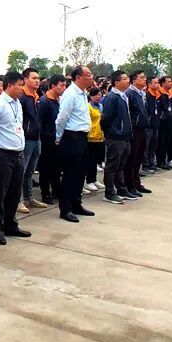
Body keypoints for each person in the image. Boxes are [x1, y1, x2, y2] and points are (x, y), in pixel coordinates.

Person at [0, 72, 32, 245]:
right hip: (2, 153)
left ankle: (10, 224)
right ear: (10, 85)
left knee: (14, 192)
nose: (21, 88)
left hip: (18, 153)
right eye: (19, 85)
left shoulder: (17, 103)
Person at [54, 65, 95, 223]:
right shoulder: (70, 94)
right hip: (71, 137)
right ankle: (65, 208)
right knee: (70, 174)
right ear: (78, 77)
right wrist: (59, 136)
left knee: (80, 173)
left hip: (83, 137)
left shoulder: (82, 93)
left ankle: (76, 204)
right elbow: (62, 118)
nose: (91, 77)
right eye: (88, 75)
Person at [100, 71, 134, 204]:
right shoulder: (112, 97)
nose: (127, 81)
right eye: (124, 79)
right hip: (115, 137)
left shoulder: (123, 96)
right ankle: (109, 192)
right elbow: (106, 118)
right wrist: (111, 132)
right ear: (116, 82)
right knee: (112, 165)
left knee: (121, 165)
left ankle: (121, 189)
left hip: (125, 136)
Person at [20, 68, 46, 211]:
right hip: (26, 139)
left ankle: (29, 198)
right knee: (22, 171)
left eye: (38, 78)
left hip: (37, 138)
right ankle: (18, 200)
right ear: (25, 80)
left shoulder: (36, 96)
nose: (37, 81)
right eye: (34, 78)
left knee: (30, 171)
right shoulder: (22, 96)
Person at [38, 75, 65, 204]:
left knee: (56, 167)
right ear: (53, 86)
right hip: (46, 140)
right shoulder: (44, 102)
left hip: (57, 139)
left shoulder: (58, 100)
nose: (64, 88)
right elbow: (41, 123)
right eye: (61, 85)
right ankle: (45, 193)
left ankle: (56, 190)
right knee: (45, 168)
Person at [123, 70, 152, 196]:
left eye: (144, 77)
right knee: (132, 159)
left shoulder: (142, 93)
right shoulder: (130, 93)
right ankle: (129, 185)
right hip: (134, 130)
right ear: (134, 80)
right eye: (141, 77)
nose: (144, 79)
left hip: (142, 129)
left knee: (139, 157)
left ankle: (136, 182)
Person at [85, 88, 106, 192]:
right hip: (91, 137)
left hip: (100, 136)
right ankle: (89, 181)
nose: (98, 96)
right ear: (91, 96)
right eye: (96, 95)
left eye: (100, 95)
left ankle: (94, 179)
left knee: (97, 160)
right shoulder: (88, 107)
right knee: (90, 160)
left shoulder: (101, 106)